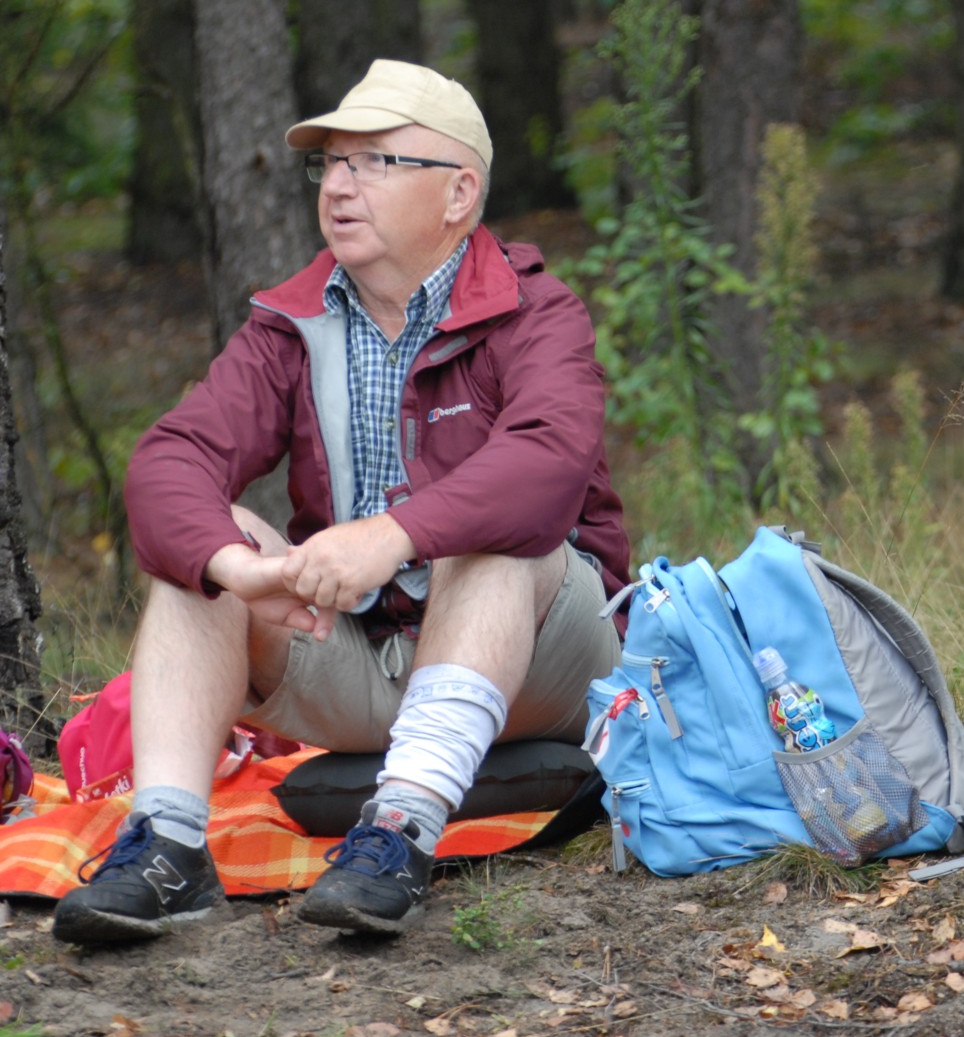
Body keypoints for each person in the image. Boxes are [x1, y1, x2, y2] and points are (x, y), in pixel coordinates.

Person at [52, 60, 629, 944]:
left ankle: (398, 834)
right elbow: (171, 458)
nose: (340, 184)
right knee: (201, 547)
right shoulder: (291, 322)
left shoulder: (537, 312)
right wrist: (239, 567)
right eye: (330, 163)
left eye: (376, 161)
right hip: (356, 655)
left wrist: (394, 534)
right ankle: (168, 844)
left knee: (492, 536)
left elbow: (546, 464)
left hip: (544, 660)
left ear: (460, 192)